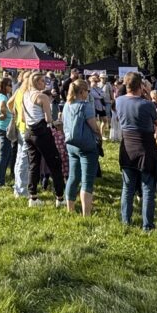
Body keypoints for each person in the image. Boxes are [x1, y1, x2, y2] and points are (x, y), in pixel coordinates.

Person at [113, 72, 157, 231]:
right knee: (147, 188)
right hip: (145, 147)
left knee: (127, 187)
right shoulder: (147, 104)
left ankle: (125, 221)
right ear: (140, 85)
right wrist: (148, 97)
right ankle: (147, 226)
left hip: (127, 146)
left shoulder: (119, 101)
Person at [20, 72, 63, 205]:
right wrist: (55, 122)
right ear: (37, 82)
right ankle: (60, 197)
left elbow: (22, 118)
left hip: (29, 132)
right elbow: (48, 119)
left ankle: (33, 197)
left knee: (34, 165)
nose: (45, 84)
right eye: (43, 81)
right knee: (55, 163)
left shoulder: (25, 95)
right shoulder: (42, 96)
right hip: (41, 132)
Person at [61, 79, 101, 216]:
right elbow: (94, 126)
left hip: (71, 144)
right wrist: (99, 135)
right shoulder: (85, 106)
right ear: (82, 92)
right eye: (87, 91)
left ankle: (70, 209)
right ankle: (86, 214)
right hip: (86, 145)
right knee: (87, 180)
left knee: (73, 177)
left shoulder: (67, 105)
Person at [0, 75, 15, 187]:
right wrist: (4, 113)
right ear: (4, 86)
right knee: (4, 155)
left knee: (7, 153)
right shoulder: (3, 97)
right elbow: (2, 105)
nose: (11, 87)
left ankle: (3, 177)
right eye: (10, 85)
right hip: (4, 128)